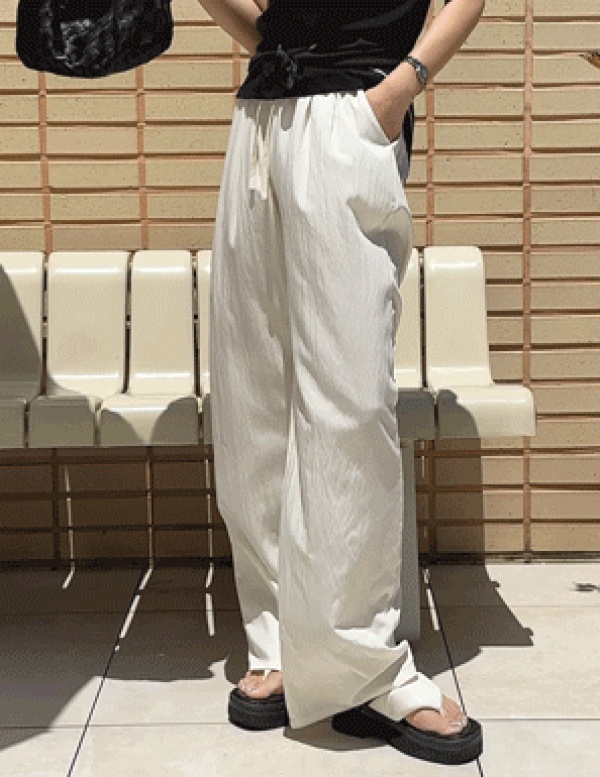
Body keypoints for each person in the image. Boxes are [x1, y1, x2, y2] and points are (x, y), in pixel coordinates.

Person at [201, 0, 486, 766]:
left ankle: (368, 665)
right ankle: (280, 643)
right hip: (261, 118)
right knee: (255, 399)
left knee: (351, 404)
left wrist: (398, 88)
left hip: (354, 113)